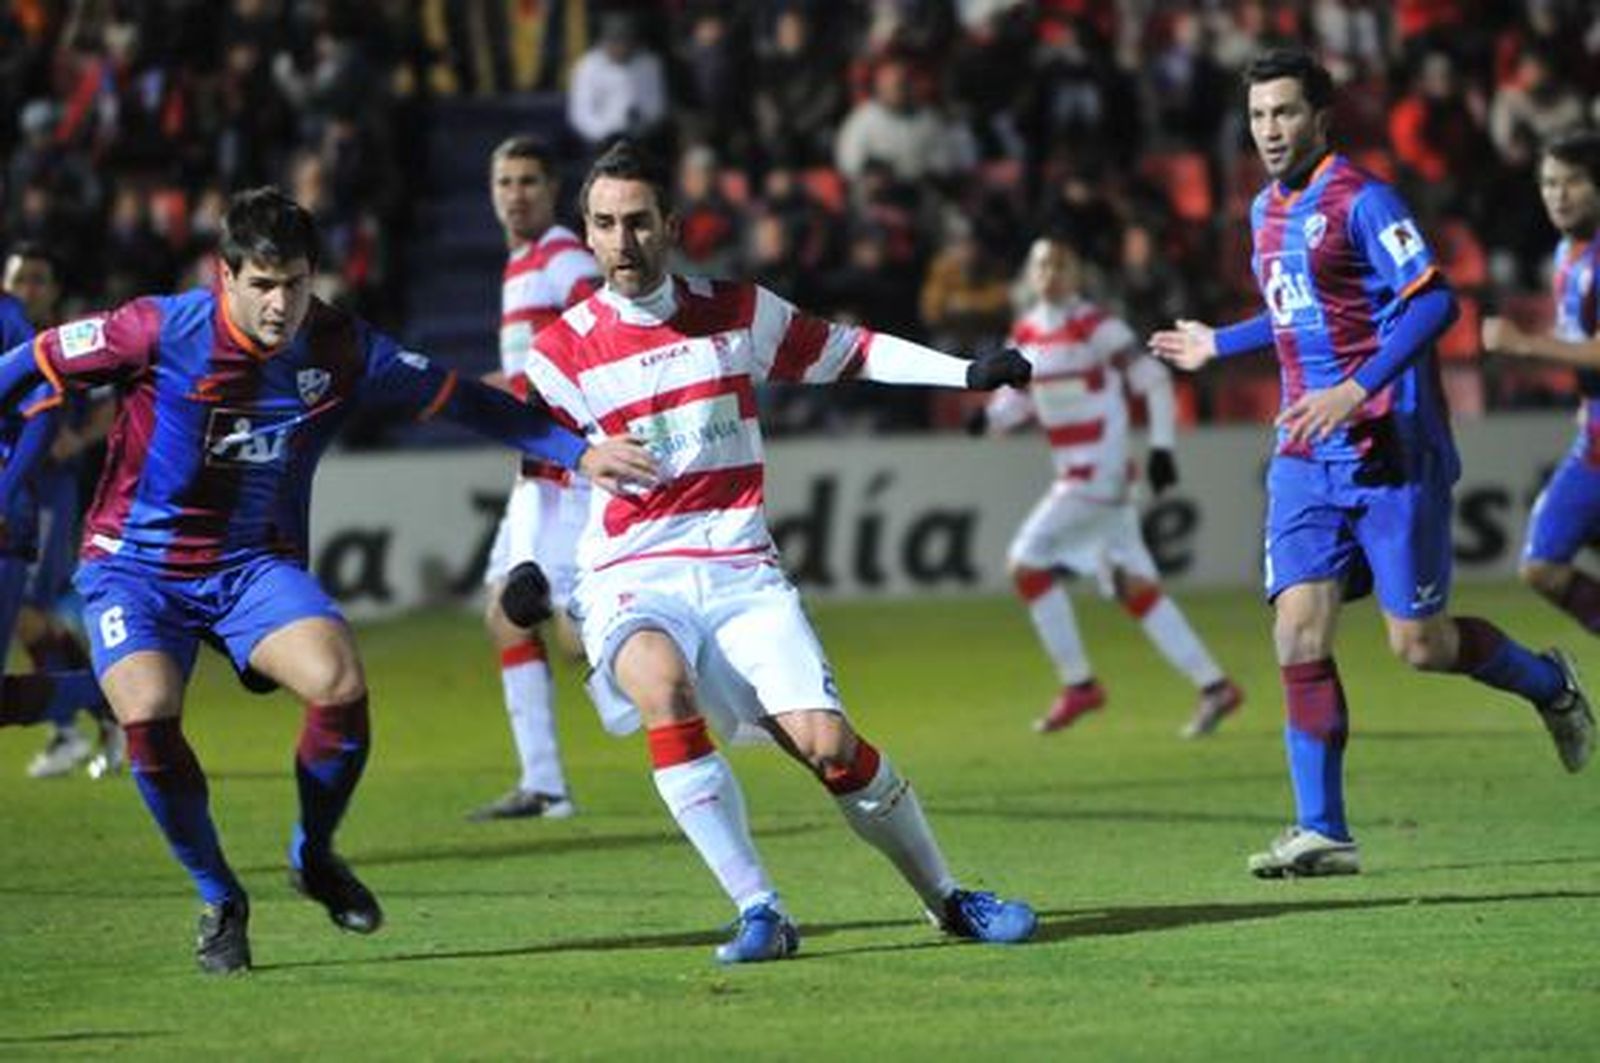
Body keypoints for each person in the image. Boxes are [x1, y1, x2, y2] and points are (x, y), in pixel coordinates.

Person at [0, 188, 655, 975]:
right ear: (225, 275)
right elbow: (29, 362)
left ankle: (313, 853)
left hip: (250, 564)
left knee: (339, 680)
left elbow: (463, 400)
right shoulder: (157, 327)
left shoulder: (342, 345)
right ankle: (220, 897)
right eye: (263, 285)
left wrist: (578, 451)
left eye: (296, 283)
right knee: (147, 711)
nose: (282, 305)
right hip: (133, 566)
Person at [521, 139, 1037, 965]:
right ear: (586, 232)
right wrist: (531, 570)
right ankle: (759, 907)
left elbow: (851, 350)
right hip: (630, 571)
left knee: (829, 746)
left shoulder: (735, 312)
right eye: (606, 224)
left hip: (739, 567)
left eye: (640, 221)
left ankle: (948, 898)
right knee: (661, 684)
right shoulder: (560, 352)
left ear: (672, 225)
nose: (624, 241)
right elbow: (544, 473)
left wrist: (965, 373)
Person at [1149, 49, 1594, 879]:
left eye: (1285, 112)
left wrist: (1355, 390)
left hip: (1389, 447)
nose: (1269, 129)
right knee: (1296, 627)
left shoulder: (1363, 199)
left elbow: (1435, 301)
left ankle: (1549, 684)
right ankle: (1324, 830)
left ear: (1321, 118)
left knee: (1420, 644)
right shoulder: (1263, 211)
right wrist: (1220, 342)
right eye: (1258, 115)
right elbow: (1295, 314)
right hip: (1303, 452)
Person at [986, 235, 1243, 738]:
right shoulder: (1027, 331)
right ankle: (1216, 686)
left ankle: (1080, 684)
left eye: (1059, 264)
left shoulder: (1096, 325)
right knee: (1134, 588)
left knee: (1025, 564)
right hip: (1081, 477)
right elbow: (1021, 399)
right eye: (1041, 265)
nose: (1049, 274)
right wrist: (991, 417)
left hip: (1097, 474)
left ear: (1076, 274)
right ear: (1030, 275)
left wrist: (1163, 448)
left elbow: (1154, 380)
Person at [469, 136, 602, 822]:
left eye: (528, 181)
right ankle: (544, 784)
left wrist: (502, 393)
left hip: (568, 470)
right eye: (505, 181)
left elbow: (601, 340)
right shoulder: (522, 263)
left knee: (581, 634)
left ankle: (710, 695)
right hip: (538, 468)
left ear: (553, 190)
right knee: (506, 614)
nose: (515, 194)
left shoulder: (563, 256)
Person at [3, 243, 123, 778]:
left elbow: (107, 405)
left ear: (53, 290)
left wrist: (74, 439)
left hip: (44, 494)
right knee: (32, 620)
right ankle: (96, 712)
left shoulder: (71, 342)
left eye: (38, 280)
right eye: (19, 280)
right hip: (21, 491)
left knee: (31, 614)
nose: (27, 289)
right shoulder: (13, 336)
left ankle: (87, 718)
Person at [1482, 131, 1600, 634]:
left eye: (1573, 181)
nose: (1558, 194)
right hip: (1594, 440)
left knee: (1544, 564)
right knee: (1543, 566)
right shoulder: (1568, 252)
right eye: (1549, 183)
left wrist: (1524, 344)